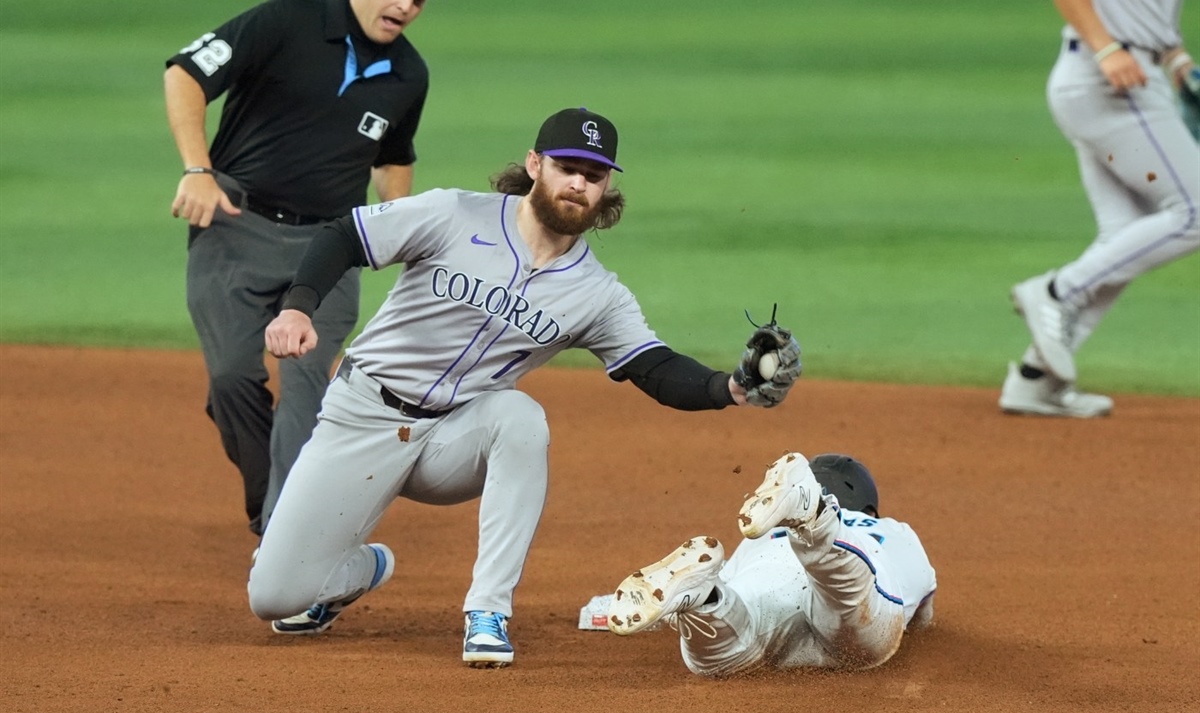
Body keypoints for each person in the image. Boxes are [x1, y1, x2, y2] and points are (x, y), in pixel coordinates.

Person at [245, 107, 804, 668]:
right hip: (362, 415)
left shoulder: (596, 294)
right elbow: (346, 235)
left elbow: (653, 366)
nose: (579, 184)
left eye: (594, 174)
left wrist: (729, 387)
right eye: (567, 167)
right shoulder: (452, 213)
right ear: (536, 165)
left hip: (453, 440)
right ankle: (357, 569)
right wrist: (298, 309)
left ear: (607, 186)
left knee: (519, 417)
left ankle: (488, 611)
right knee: (273, 597)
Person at [163, 0, 447, 536]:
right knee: (233, 379)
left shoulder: (408, 74)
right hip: (235, 229)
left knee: (304, 381)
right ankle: (276, 503)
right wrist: (197, 169)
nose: (406, 5)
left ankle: (283, 537)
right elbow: (186, 73)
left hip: (330, 246)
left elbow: (393, 156)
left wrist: (402, 225)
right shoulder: (284, 21)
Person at [1003, 0, 1199, 418]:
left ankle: (1035, 380)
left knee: (1125, 238)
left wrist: (1175, 58)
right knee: (1194, 212)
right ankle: (1056, 292)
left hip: (1133, 75)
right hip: (1106, 79)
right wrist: (1107, 47)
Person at [606, 451, 937, 678]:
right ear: (868, 508)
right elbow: (922, 614)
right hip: (846, 589)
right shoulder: (892, 530)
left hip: (770, 574)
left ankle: (703, 601)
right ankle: (818, 524)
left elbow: (737, 584)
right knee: (856, 609)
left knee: (720, 657)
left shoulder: (761, 534)